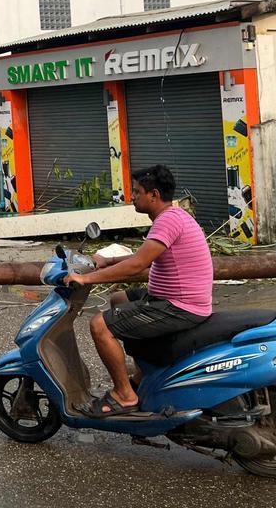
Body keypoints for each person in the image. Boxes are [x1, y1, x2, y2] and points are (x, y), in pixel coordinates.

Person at [67, 164, 212, 417]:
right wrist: (108, 261)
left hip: (178, 306)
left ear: (153, 195)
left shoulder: (167, 221)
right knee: (118, 299)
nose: (131, 197)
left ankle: (124, 395)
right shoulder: (174, 216)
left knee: (99, 325)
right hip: (171, 299)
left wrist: (86, 278)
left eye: (136, 191)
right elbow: (143, 256)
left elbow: (137, 265)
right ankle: (142, 374)